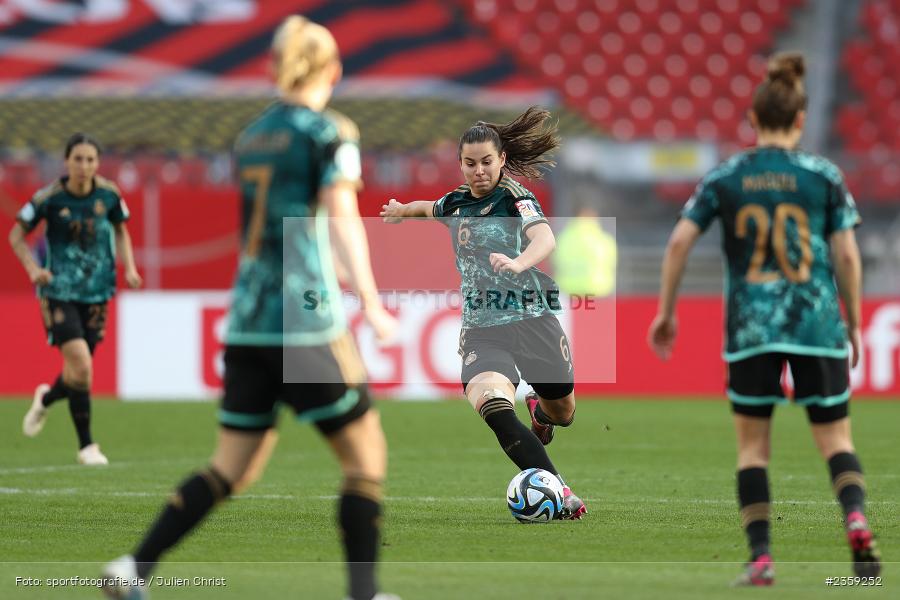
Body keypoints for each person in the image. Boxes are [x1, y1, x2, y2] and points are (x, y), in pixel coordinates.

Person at [102, 15, 398, 600]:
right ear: (334, 70)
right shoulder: (329, 133)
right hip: (305, 323)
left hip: (247, 323)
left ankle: (133, 568)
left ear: (273, 69)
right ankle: (364, 596)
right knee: (366, 459)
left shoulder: (253, 135)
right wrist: (371, 301)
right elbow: (339, 221)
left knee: (231, 467)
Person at [647, 53, 880, 585]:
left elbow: (681, 239)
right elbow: (846, 255)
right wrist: (855, 322)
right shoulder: (823, 175)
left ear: (752, 119)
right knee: (837, 440)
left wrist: (666, 311)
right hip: (816, 323)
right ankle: (857, 519)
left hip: (751, 328)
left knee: (754, 447)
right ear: (800, 120)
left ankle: (761, 560)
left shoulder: (727, 176)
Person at [380, 107, 586, 520]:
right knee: (494, 409)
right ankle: (561, 492)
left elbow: (544, 237)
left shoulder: (515, 198)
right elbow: (429, 207)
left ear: (502, 160)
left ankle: (542, 414)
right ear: (460, 164)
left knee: (563, 412)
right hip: (482, 331)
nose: (479, 171)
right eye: (470, 163)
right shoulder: (455, 203)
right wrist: (403, 209)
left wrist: (520, 262)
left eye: (487, 162)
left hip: (531, 321)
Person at [11, 132, 142, 465]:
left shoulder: (109, 195)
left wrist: (130, 268)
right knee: (82, 365)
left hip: (97, 292)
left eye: (90, 160)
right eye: (78, 159)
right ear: (66, 161)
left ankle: (46, 398)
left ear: (98, 163)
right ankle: (87, 446)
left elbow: (121, 229)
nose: (84, 166)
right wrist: (33, 269)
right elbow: (16, 235)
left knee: (78, 374)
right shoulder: (49, 198)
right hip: (59, 292)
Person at [553, 203, 616, 298]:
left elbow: (555, 262)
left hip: (568, 291)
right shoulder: (604, 239)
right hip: (598, 292)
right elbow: (610, 264)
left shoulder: (563, 237)